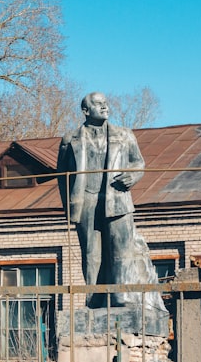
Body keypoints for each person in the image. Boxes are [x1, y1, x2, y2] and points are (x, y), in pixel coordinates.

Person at [56, 92, 165, 311]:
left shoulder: (124, 135)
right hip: (86, 201)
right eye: (98, 104)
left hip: (117, 200)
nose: (105, 106)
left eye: (106, 103)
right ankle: (94, 298)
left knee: (121, 249)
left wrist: (133, 176)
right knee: (91, 253)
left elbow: (138, 163)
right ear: (86, 110)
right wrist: (71, 207)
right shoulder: (70, 139)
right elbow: (62, 176)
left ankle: (121, 295)